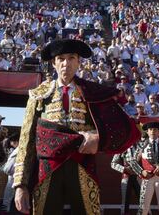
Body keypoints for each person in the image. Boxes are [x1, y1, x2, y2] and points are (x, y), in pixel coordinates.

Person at [13, 39, 140, 215]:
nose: (66, 63)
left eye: (72, 58)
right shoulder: (38, 96)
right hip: (48, 167)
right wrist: (20, 184)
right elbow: (26, 141)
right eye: (61, 58)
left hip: (82, 164)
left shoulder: (92, 91)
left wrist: (99, 138)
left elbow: (120, 127)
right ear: (54, 63)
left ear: (79, 62)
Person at [128, 122, 159, 215]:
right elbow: (132, 161)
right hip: (147, 178)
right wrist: (141, 171)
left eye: (155, 130)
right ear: (147, 132)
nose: (153, 131)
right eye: (150, 129)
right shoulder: (141, 145)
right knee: (143, 206)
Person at [110, 141, 142, 215]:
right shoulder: (122, 146)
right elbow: (113, 163)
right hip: (126, 176)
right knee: (125, 202)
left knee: (144, 199)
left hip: (139, 176)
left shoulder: (141, 146)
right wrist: (124, 169)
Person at [1, 133, 20, 214]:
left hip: (15, 173)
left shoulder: (18, 149)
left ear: (16, 141)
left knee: (10, 193)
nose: (12, 145)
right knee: (9, 193)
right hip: (13, 174)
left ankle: (6, 209)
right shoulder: (16, 149)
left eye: (12, 143)